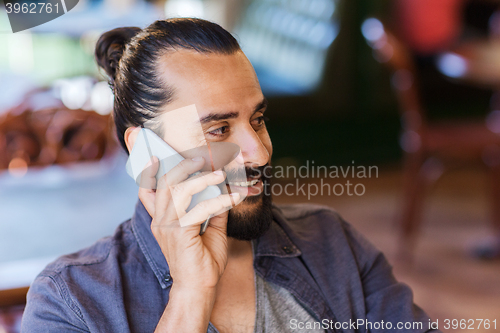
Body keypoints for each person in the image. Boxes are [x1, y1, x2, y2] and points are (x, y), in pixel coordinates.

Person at [21, 18, 441, 333]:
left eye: (258, 120)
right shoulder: (70, 301)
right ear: (146, 149)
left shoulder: (333, 244)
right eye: (219, 129)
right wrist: (190, 294)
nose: (259, 152)